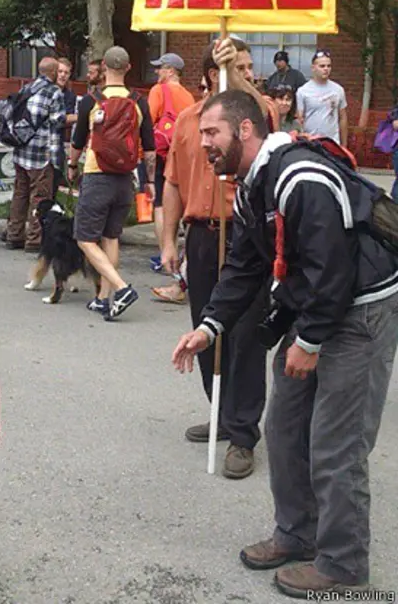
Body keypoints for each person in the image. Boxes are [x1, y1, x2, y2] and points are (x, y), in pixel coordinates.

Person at [172, 89, 398, 598]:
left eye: (212, 133)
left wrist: (310, 341)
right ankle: (297, 534)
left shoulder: (301, 179)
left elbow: (333, 271)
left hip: (360, 311)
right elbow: (248, 266)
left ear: (244, 130)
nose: (202, 142)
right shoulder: (255, 185)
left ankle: (343, 564)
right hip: (316, 306)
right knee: (284, 426)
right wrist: (208, 328)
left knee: (335, 443)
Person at [158, 38, 276, 479]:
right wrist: (169, 240)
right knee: (206, 331)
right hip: (203, 237)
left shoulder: (251, 114)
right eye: (236, 65)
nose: (248, 72)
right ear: (209, 73)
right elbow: (172, 183)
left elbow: (265, 112)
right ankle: (223, 413)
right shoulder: (189, 121)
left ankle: (244, 434)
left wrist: (239, 77)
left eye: (248, 66)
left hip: (243, 236)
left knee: (245, 336)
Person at [68, 46, 156, 321]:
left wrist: (72, 165)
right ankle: (102, 299)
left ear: (104, 67)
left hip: (97, 176)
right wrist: (149, 180)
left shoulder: (90, 100)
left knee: (85, 239)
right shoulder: (139, 101)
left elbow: (78, 140)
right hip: (125, 179)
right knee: (111, 237)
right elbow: (150, 149)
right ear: (128, 68)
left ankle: (121, 288)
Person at [5, 57, 66, 251]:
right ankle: (34, 239)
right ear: (54, 72)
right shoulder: (54, 92)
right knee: (40, 197)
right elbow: (57, 124)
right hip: (41, 155)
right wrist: (57, 160)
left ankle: (14, 235)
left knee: (20, 194)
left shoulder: (27, 88)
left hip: (20, 151)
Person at [147, 52, 195, 273]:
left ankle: (164, 252)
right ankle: (179, 254)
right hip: (181, 153)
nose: (157, 72)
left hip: (160, 153)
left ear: (171, 71)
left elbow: (148, 121)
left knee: (159, 203)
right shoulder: (188, 96)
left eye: (161, 68)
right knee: (178, 200)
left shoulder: (158, 91)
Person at [296, 49, 348, 145]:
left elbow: (343, 118)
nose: (326, 69)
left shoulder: (338, 90)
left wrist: (344, 145)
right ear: (313, 68)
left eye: (329, 66)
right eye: (322, 66)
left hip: (333, 143)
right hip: (311, 142)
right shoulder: (302, 91)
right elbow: (299, 120)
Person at [54, 57, 78, 195]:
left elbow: (66, 119)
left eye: (66, 73)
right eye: (60, 71)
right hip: (40, 143)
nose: (63, 75)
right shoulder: (45, 91)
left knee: (55, 181)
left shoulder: (69, 96)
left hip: (58, 142)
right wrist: (82, 117)